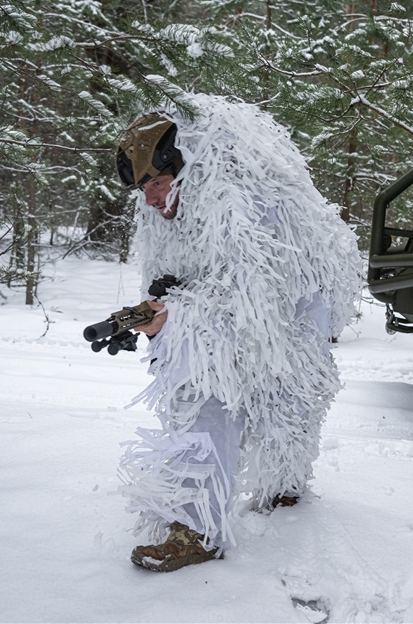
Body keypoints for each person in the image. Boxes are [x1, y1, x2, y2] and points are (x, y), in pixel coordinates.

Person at [113, 97, 362, 571]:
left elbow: (251, 300)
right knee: (202, 388)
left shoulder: (242, 201)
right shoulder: (169, 207)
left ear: (187, 169)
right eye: (141, 188)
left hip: (297, 306)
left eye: (158, 182)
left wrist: (177, 317)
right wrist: (156, 316)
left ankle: (282, 485)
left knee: (285, 398)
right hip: (238, 309)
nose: (149, 198)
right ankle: (195, 526)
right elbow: (178, 277)